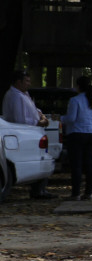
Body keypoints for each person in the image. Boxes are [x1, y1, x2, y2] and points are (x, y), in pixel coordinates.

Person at [2, 70, 56, 199]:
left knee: (41, 157)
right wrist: (40, 122)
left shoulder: (24, 94)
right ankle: (38, 190)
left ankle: (40, 189)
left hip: (33, 131)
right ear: (18, 82)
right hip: (24, 132)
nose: (29, 84)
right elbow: (21, 119)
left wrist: (41, 116)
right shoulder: (15, 96)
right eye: (26, 81)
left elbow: (34, 110)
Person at [60, 76, 92, 201]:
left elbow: (71, 119)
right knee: (90, 164)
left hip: (77, 134)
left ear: (78, 86)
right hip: (91, 134)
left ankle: (76, 193)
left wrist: (60, 119)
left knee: (76, 165)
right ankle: (88, 192)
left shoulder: (75, 100)